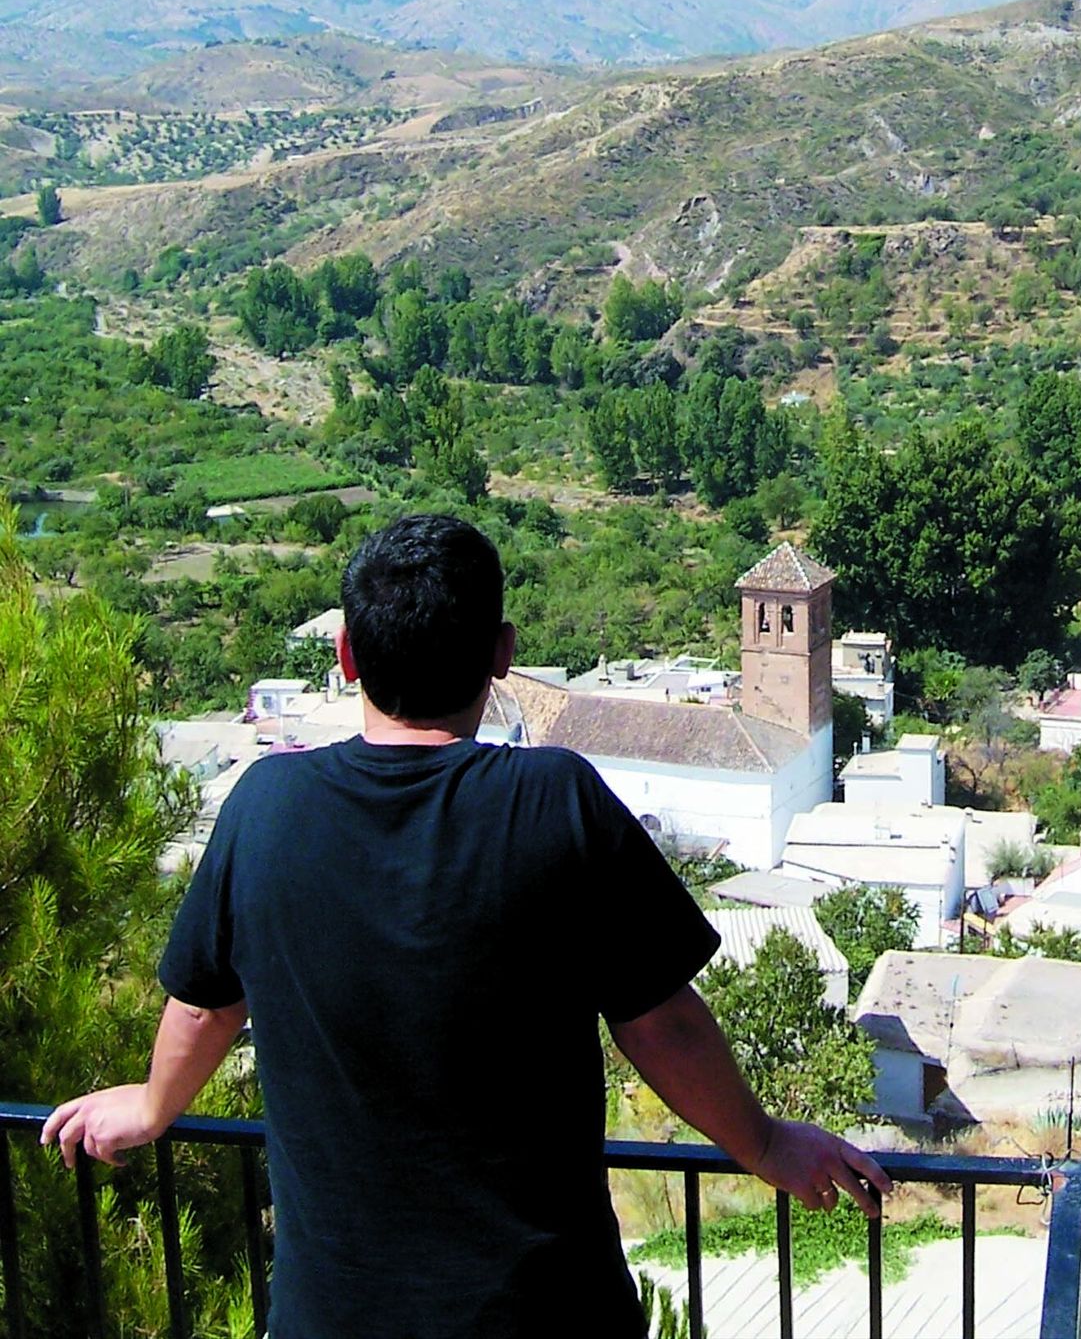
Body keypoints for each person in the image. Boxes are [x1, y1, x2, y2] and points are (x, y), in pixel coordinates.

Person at [42, 513, 889, 1338]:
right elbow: (661, 1023)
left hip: (335, 1312)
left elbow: (205, 1007)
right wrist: (767, 1143)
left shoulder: (265, 807)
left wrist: (154, 1106)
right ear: (503, 655)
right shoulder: (556, 801)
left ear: (346, 657)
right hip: (544, 1307)